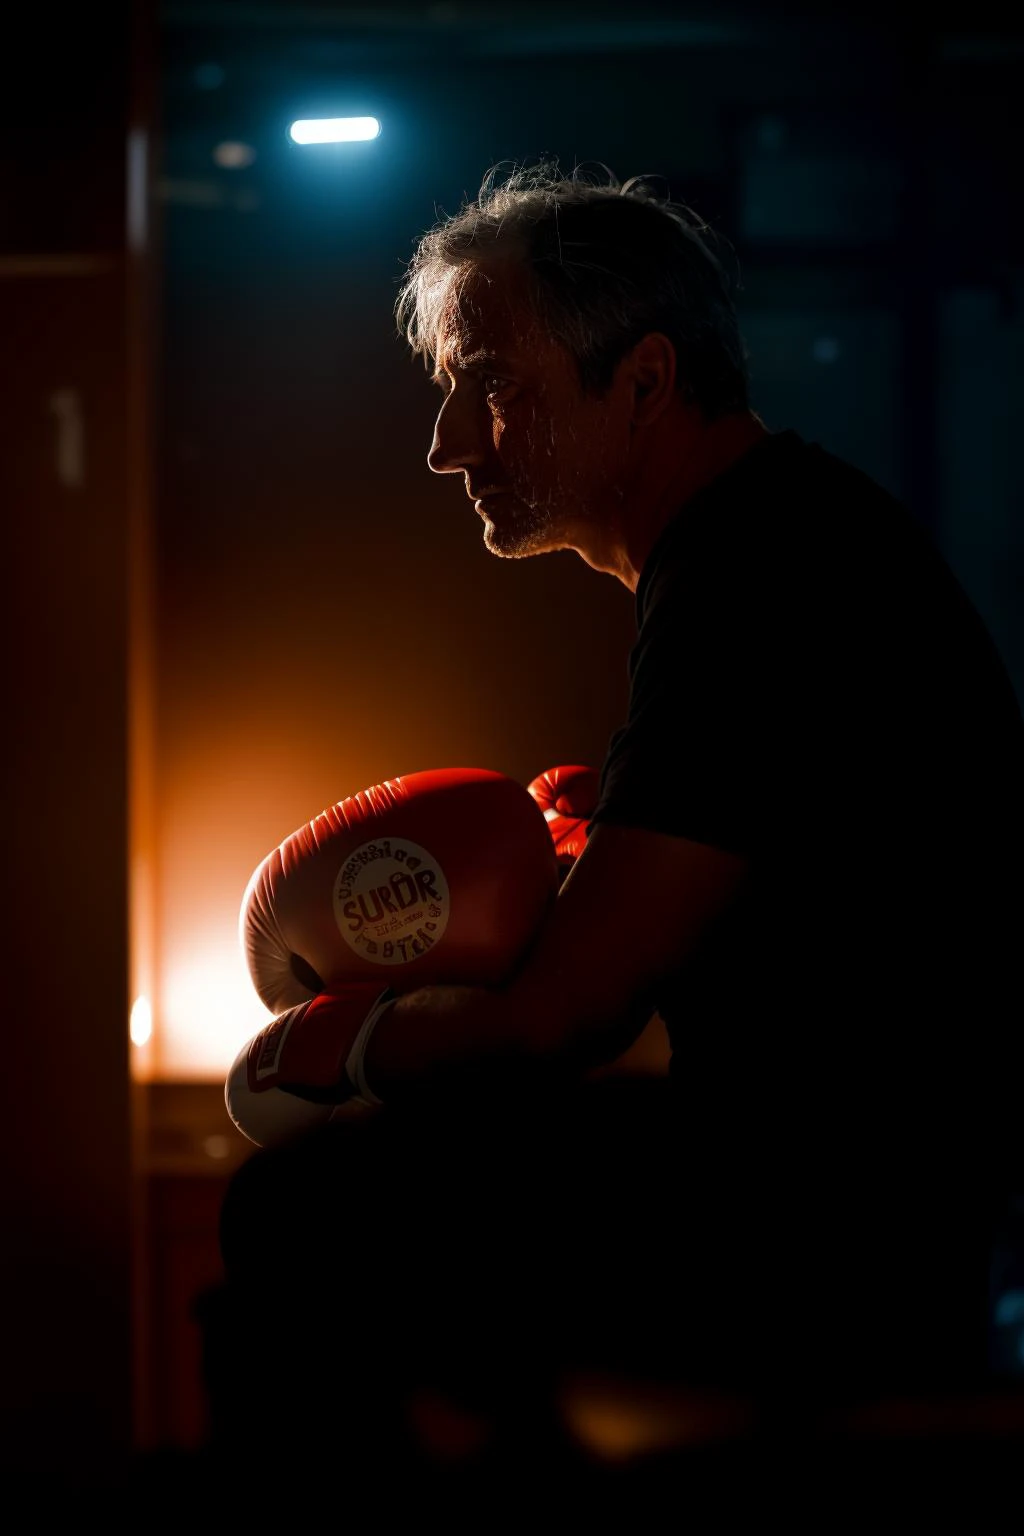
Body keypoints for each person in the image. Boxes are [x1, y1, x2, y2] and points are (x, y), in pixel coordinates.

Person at [216, 162, 1024, 1449]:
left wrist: (339, 1049)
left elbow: (565, 1021)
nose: (448, 442)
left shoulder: (755, 575)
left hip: (830, 1225)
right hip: (865, 1192)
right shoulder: (777, 537)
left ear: (644, 381)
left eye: (491, 386)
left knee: (302, 1213)